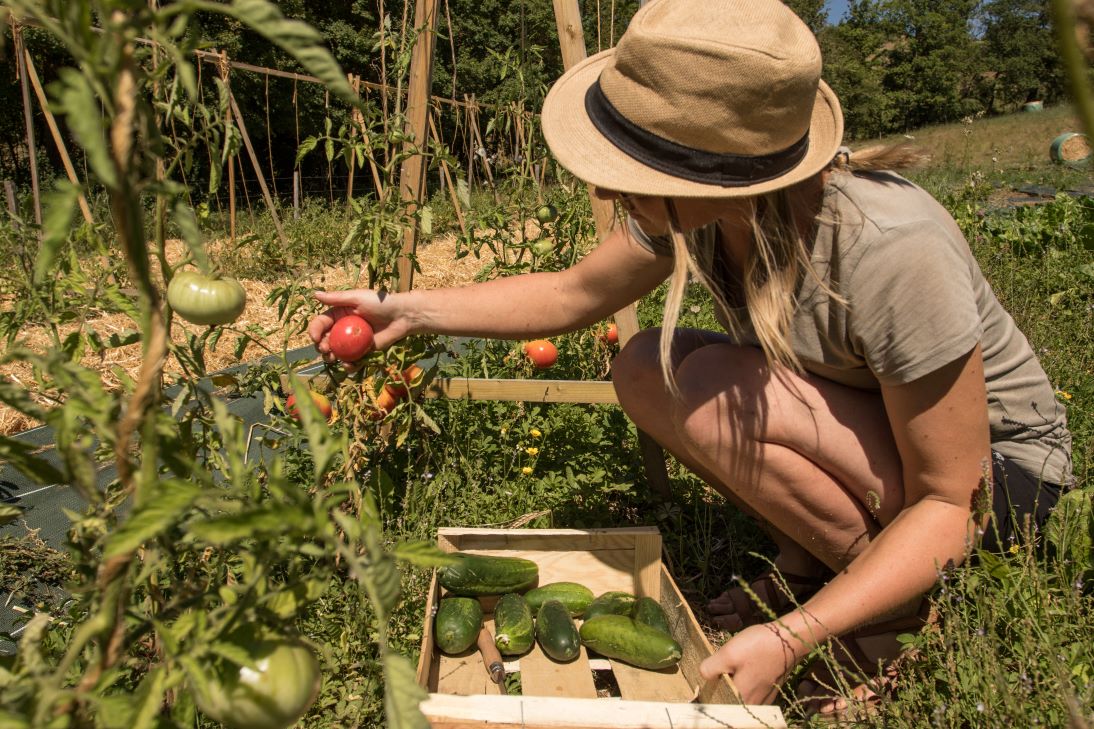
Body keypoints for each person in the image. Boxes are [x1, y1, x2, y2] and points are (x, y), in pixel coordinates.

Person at [308, 0, 1072, 716]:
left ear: (717, 174)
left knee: (704, 381)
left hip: (994, 481)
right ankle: (813, 564)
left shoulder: (891, 249)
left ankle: (896, 612)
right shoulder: (711, 212)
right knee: (646, 367)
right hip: (881, 441)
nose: (607, 183)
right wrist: (405, 310)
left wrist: (790, 637)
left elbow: (949, 499)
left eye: (635, 171)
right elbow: (572, 294)